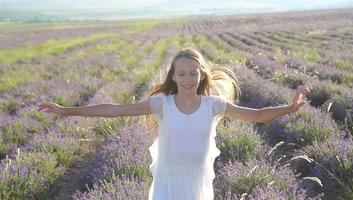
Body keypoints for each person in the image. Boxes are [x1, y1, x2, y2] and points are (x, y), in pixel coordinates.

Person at [37, 48, 310, 200]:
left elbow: (259, 115)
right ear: (174, 76)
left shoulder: (213, 104)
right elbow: (114, 110)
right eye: (182, 73)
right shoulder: (162, 104)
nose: (188, 78)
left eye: (193, 73)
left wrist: (290, 107)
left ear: (201, 75)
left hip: (199, 185)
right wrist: (67, 110)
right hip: (167, 185)